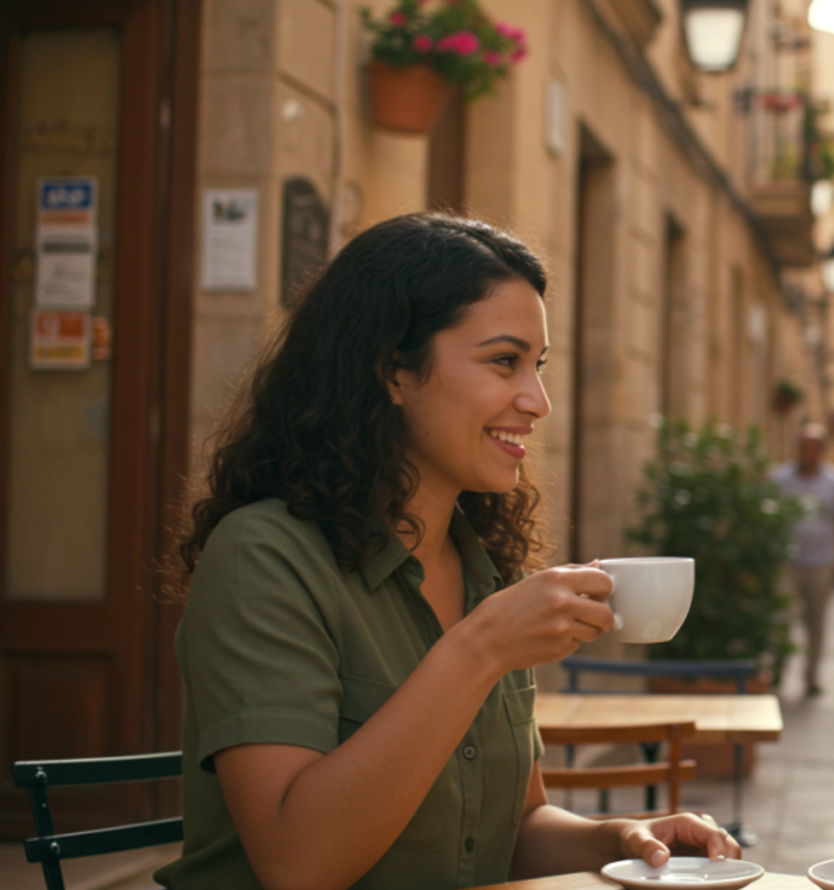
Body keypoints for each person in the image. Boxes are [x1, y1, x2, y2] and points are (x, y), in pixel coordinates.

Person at [156, 214, 739, 890]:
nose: (538, 400)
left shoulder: (485, 571)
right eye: (504, 361)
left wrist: (620, 838)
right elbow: (297, 864)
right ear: (393, 371)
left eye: (538, 366)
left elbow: (508, 833)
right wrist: (480, 648)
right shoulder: (264, 557)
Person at [771, 423, 834, 696]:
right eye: (803, 446)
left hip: (821, 562)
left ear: (821, 451)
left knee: (815, 623)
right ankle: (776, 673)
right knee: (781, 620)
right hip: (786, 562)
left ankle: (811, 676)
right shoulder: (780, 478)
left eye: (813, 447)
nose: (807, 452)